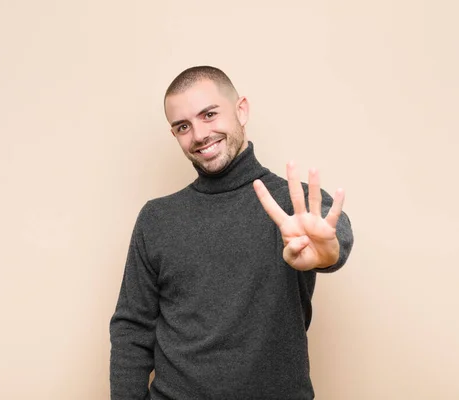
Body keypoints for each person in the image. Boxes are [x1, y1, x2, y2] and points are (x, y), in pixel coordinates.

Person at [110, 66, 354, 399]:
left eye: (209, 115)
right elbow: (131, 330)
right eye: (183, 126)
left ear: (241, 110)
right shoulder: (157, 218)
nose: (198, 135)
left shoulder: (289, 204)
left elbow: (330, 232)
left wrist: (330, 251)